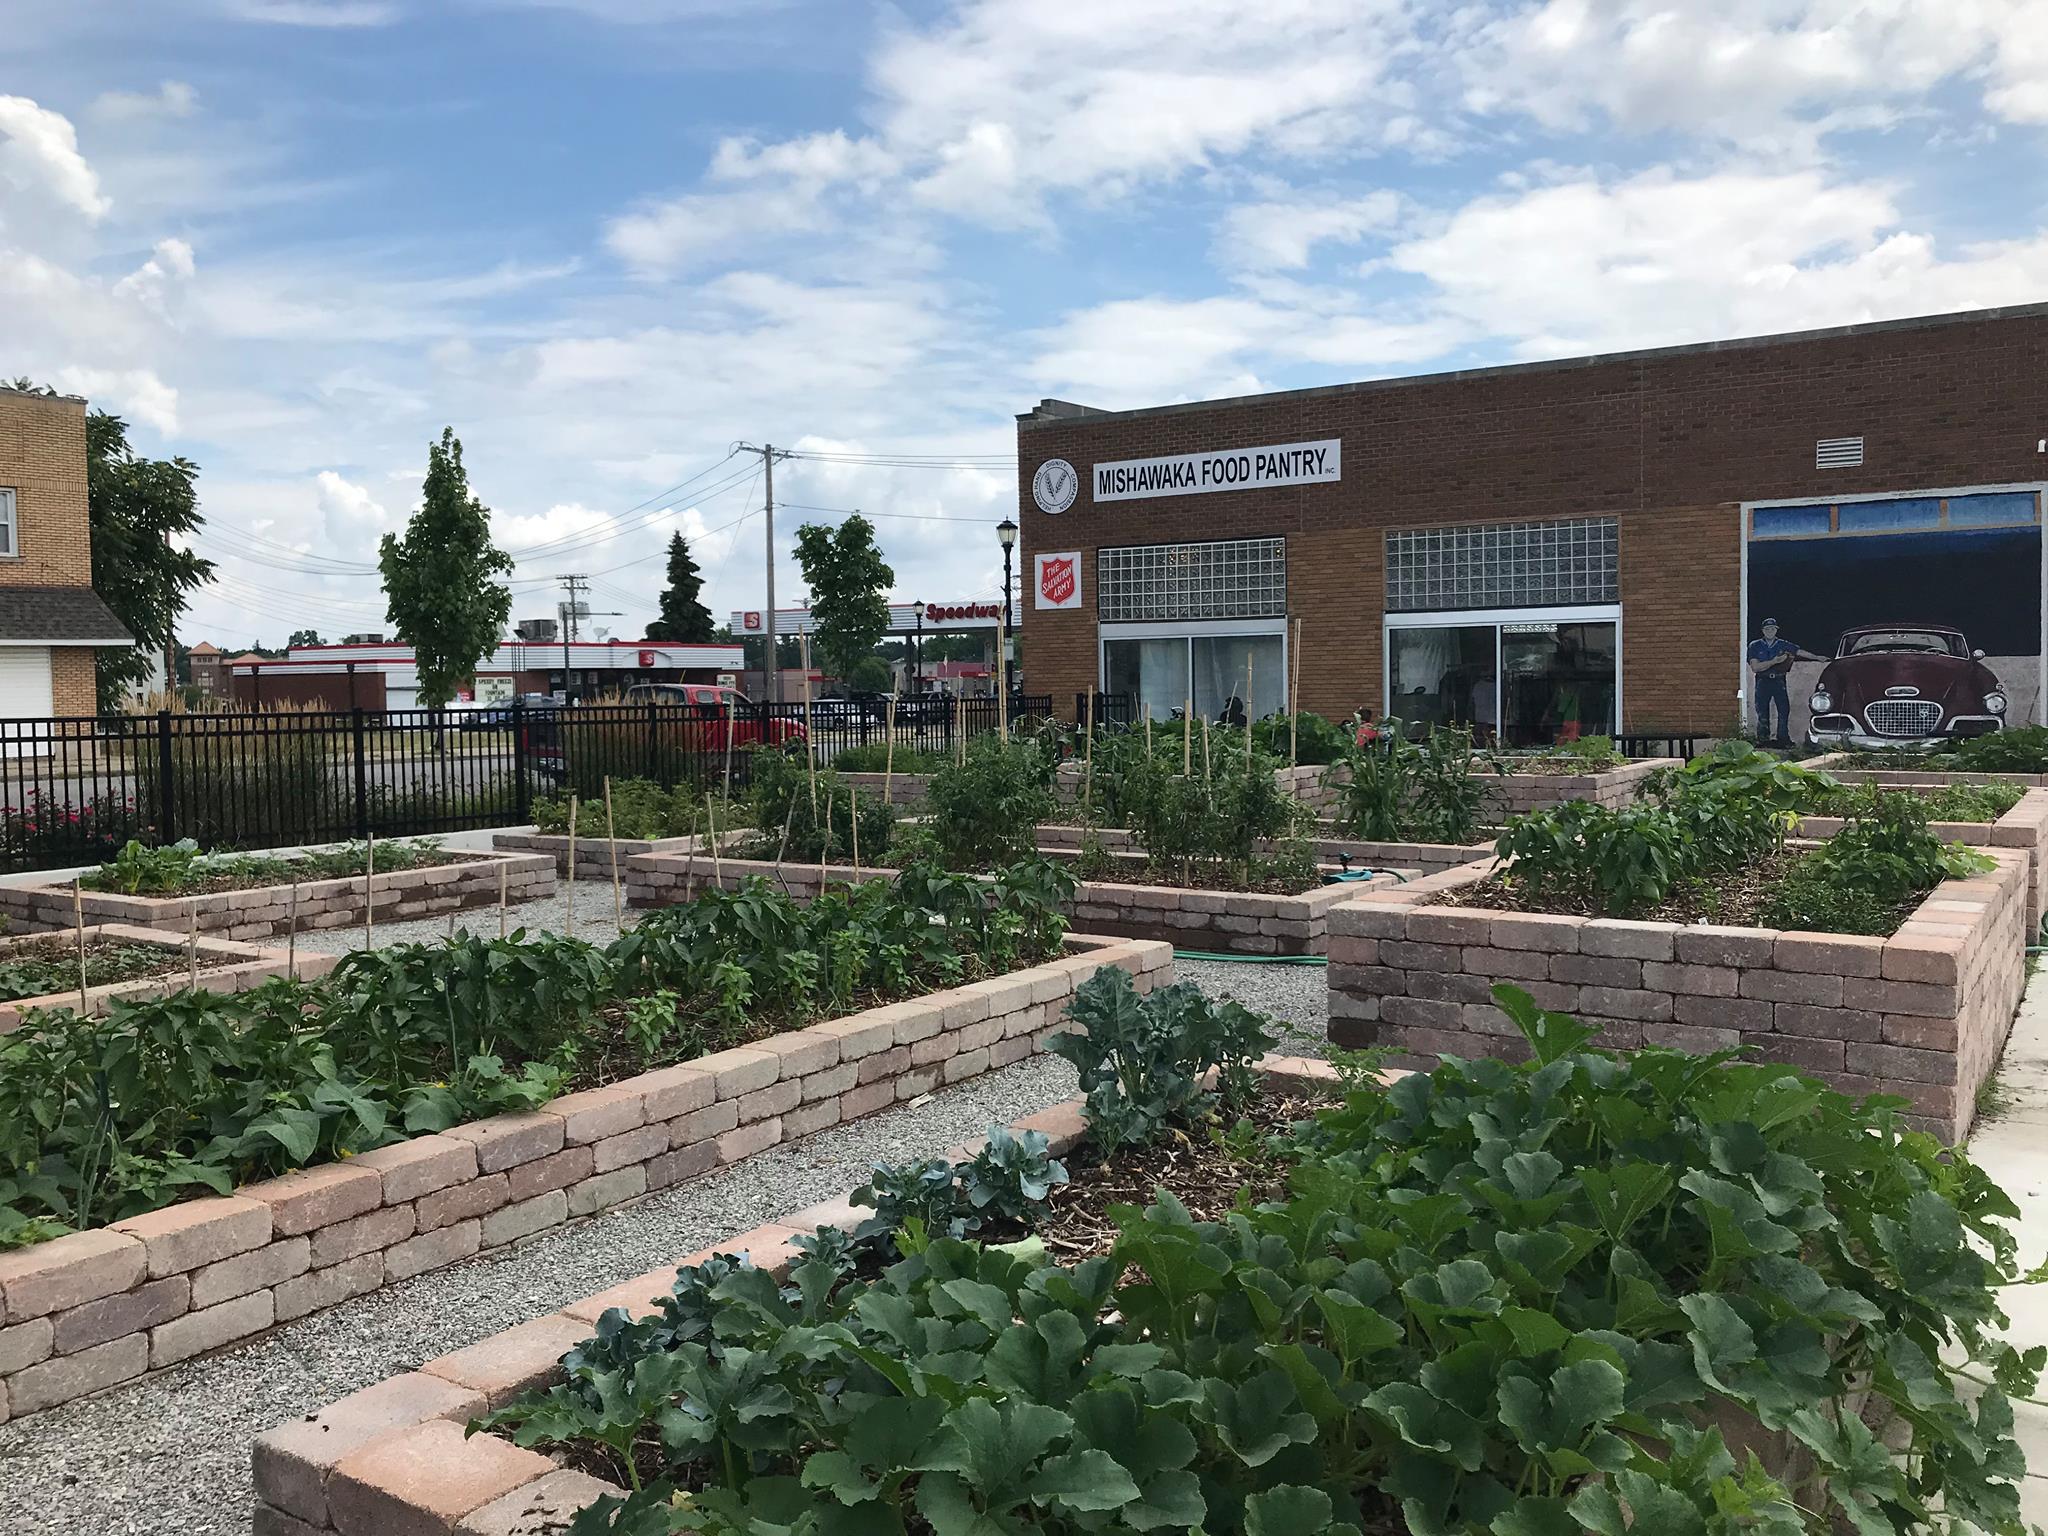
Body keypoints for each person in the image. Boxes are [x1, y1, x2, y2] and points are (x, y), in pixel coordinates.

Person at [1746, 617, 1825, 748]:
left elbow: (1798, 651)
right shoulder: (1755, 645)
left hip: (1779, 680)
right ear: (1763, 631)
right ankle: (1763, 740)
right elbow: (1755, 667)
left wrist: (1817, 657)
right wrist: (1774, 661)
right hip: (1762, 680)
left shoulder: (1782, 644)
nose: (1770, 631)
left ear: (1776, 630)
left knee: (1783, 710)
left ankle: (1783, 739)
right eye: (1767, 629)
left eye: (1772, 629)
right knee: (1762, 711)